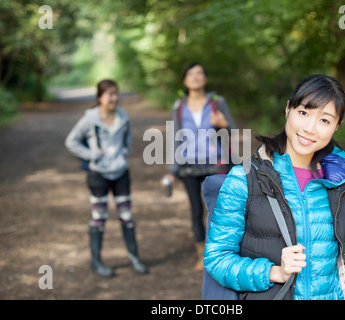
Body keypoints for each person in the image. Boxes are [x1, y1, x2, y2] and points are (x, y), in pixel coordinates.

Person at [204, 74, 345, 299]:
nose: (310, 128)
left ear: (337, 126)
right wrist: (273, 272)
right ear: (288, 109)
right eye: (303, 113)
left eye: (325, 120)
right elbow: (217, 258)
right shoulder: (245, 178)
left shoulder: (343, 180)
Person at [65, 79, 148, 276]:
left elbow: (128, 137)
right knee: (99, 218)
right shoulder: (89, 119)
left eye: (116, 93)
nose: (114, 98)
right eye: (109, 94)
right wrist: (91, 154)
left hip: (121, 174)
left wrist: (123, 152)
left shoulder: (123, 116)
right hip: (98, 175)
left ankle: (134, 258)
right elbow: (71, 141)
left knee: (127, 217)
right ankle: (96, 262)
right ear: (99, 97)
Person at [162, 62, 236, 270]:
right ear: (185, 80)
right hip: (189, 165)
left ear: (205, 78)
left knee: (220, 209)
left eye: (199, 73)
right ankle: (200, 255)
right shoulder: (178, 106)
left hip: (217, 163)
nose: (195, 77)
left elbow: (233, 130)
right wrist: (172, 172)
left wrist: (224, 125)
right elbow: (176, 139)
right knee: (196, 210)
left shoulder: (217, 102)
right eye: (191, 74)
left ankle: (222, 253)